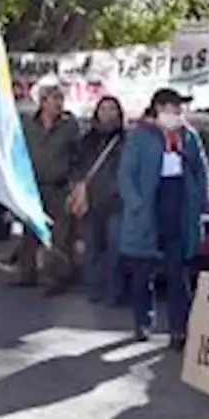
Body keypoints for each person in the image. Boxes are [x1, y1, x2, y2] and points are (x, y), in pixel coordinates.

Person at [117, 88, 209, 349]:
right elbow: (126, 174)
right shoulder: (140, 136)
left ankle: (179, 329)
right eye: (172, 108)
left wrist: (199, 203)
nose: (177, 114)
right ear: (159, 109)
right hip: (149, 211)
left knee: (178, 273)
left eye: (179, 109)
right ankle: (143, 321)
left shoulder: (189, 137)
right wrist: (136, 205)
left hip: (179, 211)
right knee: (142, 272)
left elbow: (201, 172)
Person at [14, 76, 80, 293]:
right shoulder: (27, 124)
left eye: (61, 99)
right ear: (42, 102)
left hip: (58, 185)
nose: (59, 104)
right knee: (30, 232)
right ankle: (27, 274)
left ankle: (57, 279)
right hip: (33, 185)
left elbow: (76, 155)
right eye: (54, 99)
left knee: (59, 235)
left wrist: (73, 181)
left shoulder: (69, 125)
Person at [71, 95, 126, 305]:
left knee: (115, 250)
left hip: (116, 203)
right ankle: (93, 289)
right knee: (92, 248)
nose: (107, 113)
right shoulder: (87, 140)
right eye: (103, 109)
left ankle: (114, 291)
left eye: (112, 109)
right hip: (91, 204)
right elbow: (77, 167)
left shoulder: (125, 140)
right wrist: (78, 187)